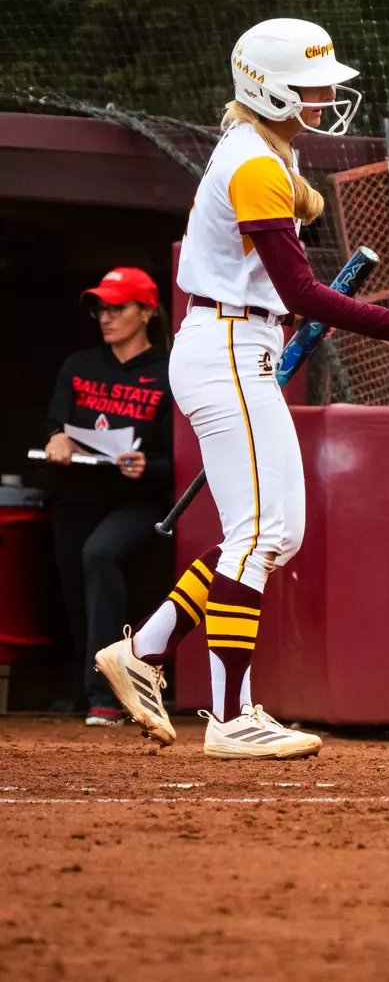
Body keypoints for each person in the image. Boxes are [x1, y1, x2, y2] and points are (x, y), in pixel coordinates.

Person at [96, 17, 389, 759]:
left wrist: (301, 214)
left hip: (237, 344)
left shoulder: (262, 157)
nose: (329, 94)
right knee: (263, 533)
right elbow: (301, 291)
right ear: (268, 88)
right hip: (228, 346)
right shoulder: (253, 164)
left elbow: (286, 267)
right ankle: (233, 715)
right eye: (313, 85)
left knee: (273, 532)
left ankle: (145, 647)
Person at [44, 267, 173, 726]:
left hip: (138, 498)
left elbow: (180, 454)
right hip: (78, 493)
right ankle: (83, 690)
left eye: (118, 308)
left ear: (147, 313)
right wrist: (57, 439)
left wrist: (149, 466)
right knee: (74, 587)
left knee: (100, 554)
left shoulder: (168, 372)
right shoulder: (79, 363)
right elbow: (57, 424)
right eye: (101, 308)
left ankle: (107, 693)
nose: (106, 317)